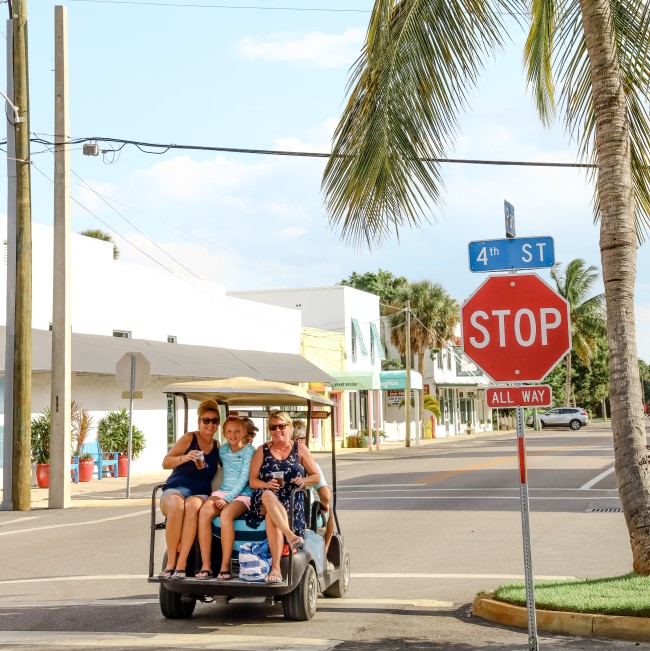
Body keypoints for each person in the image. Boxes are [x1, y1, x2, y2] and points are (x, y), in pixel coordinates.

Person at [248, 410, 320, 583]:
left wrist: (303, 480)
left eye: (281, 426)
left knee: (273, 518)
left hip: (292, 498)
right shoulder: (262, 450)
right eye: (273, 427)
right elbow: (252, 481)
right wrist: (267, 484)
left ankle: (276, 568)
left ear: (289, 427)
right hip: (265, 496)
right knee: (267, 495)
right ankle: (290, 535)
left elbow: (315, 476)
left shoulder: (299, 449)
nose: (277, 430)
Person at [158, 400, 221, 579]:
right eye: (206, 420)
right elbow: (165, 462)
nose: (210, 424)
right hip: (177, 487)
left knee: (192, 507)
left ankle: (182, 564)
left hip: (199, 492)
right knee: (178, 506)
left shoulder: (217, 447)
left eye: (214, 421)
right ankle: (171, 563)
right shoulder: (189, 438)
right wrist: (185, 458)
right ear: (199, 421)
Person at [195, 415, 254, 580]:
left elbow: (244, 479)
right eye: (229, 431)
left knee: (226, 514)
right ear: (223, 433)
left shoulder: (249, 450)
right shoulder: (222, 450)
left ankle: (225, 565)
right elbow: (208, 464)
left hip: (243, 494)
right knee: (205, 511)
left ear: (243, 433)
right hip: (224, 490)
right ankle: (206, 565)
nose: (233, 434)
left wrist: (228, 498)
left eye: (237, 431)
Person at [292, 420, 335, 555]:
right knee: (330, 512)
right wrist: (325, 504)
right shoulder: (311, 464)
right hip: (304, 515)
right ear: (300, 441)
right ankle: (325, 555)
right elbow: (325, 495)